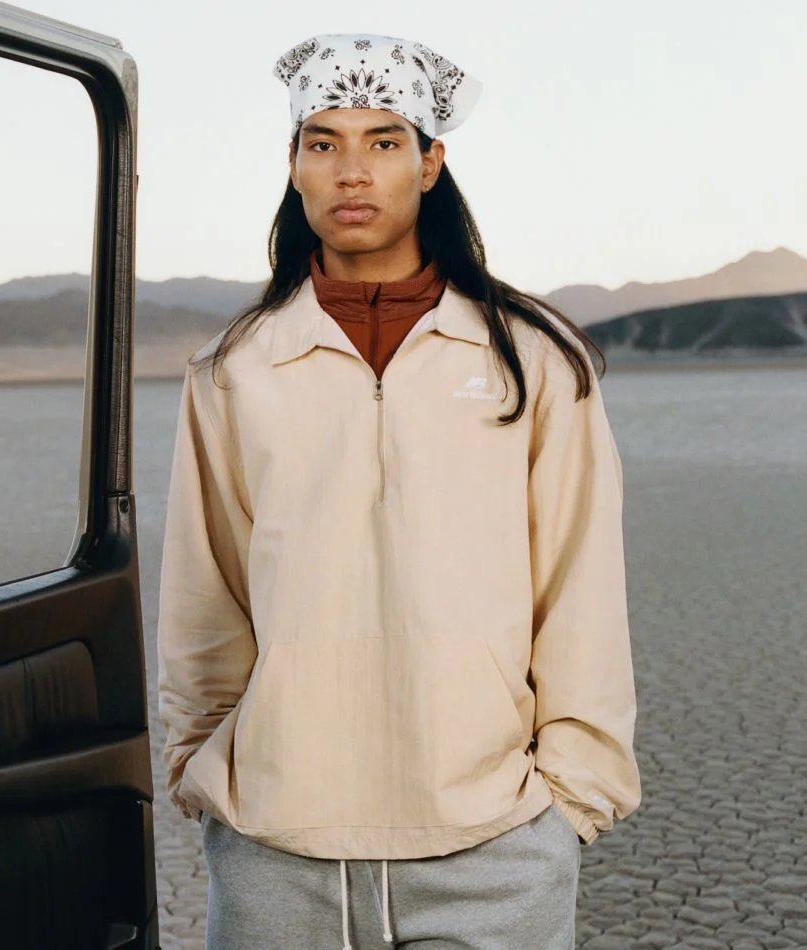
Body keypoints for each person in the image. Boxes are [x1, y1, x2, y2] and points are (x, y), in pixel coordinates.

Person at [157, 32, 640, 950]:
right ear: (294, 166)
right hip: (276, 848)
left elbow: (580, 585)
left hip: (492, 845)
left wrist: (570, 800)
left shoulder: (535, 360)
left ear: (430, 163)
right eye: (324, 143)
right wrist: (200, 761)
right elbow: (204, 584)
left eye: (383, 141)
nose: (352, 170)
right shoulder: (232, 370)